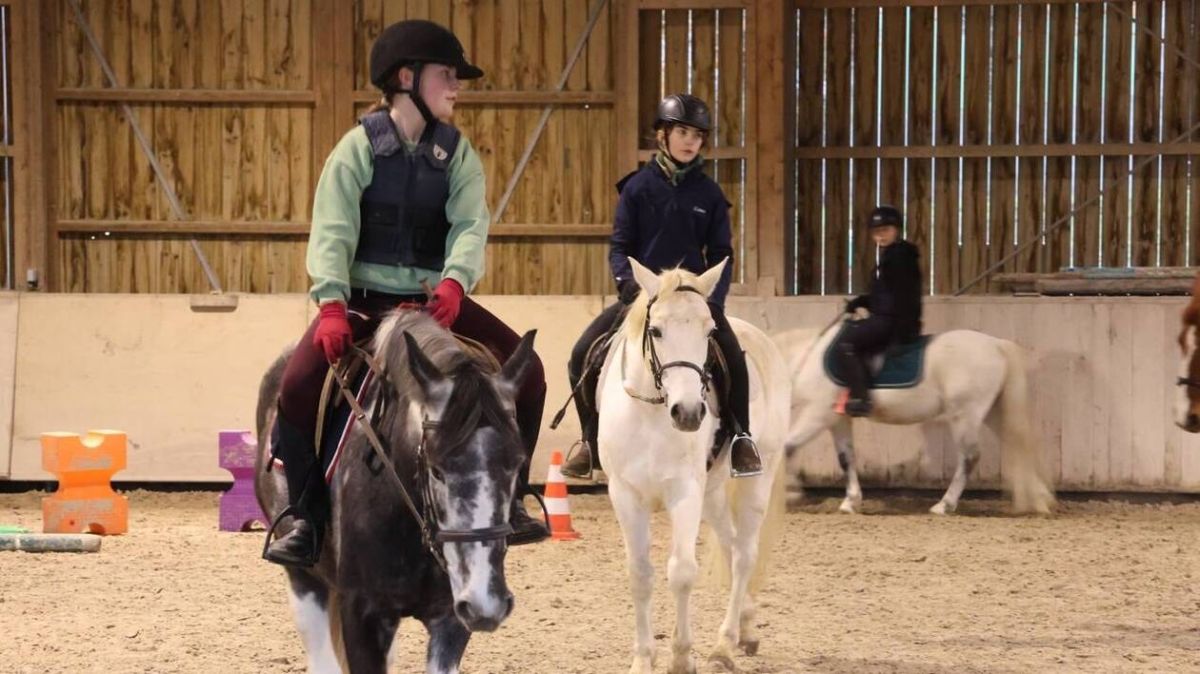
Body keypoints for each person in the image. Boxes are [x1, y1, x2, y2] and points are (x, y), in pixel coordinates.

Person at [264, 19, 549, 568]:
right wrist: (329, 304)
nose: (456, 86)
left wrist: (454, 281)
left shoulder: (458, 154)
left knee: (529, 373)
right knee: (298, 387)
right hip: (362, 300)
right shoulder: (355, 151)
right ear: (406, 78)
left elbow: (470, 224)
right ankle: (305, 516)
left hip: (435, 300)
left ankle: (512, 497)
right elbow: (333, 230)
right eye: (447, 75)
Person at [561, 93, 762, 480]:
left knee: (733, 358)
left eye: (698, 135)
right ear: (662, 135)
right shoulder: (637, 189)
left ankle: (741, 438)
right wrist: (629, 287)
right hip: (645, 297)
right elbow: (620, 247)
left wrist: (711, 301)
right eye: (682, 132)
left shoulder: (710, 195)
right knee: (581, 354)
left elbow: (722, 252)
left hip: (693, 299)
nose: (690, 141)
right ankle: (589, 442)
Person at [837, 205, 923, 417]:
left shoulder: (900, 257)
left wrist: (901, 331)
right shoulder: (892, 255)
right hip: (887, 316)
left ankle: (861, 397)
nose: (880, 235)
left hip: (891, 321)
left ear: (896, 230)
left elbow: (904, 296)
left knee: (846, 343)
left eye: (886, 230)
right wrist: (861, 301)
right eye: (876, 231)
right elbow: (886, 294)